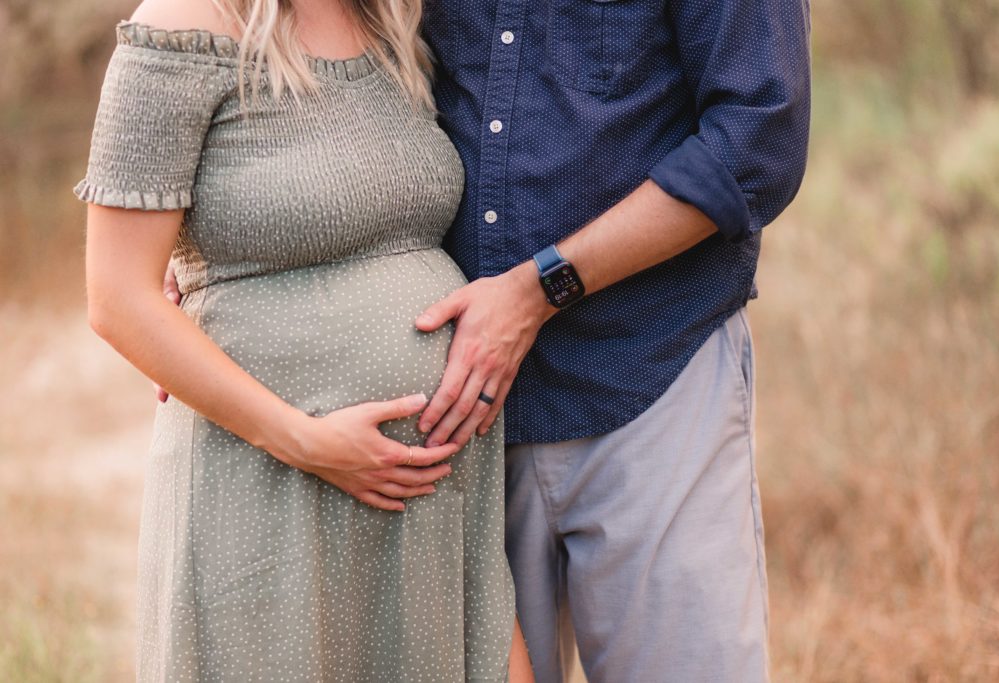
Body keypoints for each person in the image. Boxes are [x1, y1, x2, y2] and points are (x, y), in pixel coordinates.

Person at [78, 0, 534, 680]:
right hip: (268, 486)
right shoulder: (178, 27)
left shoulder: (394, 25)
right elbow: (118, 297)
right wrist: (304, 439)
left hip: (423, 504)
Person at [407, 1, 813, 681]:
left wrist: (537, 291)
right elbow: (325, 57)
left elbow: (757, 140)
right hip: (455, 418)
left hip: (651, 378)